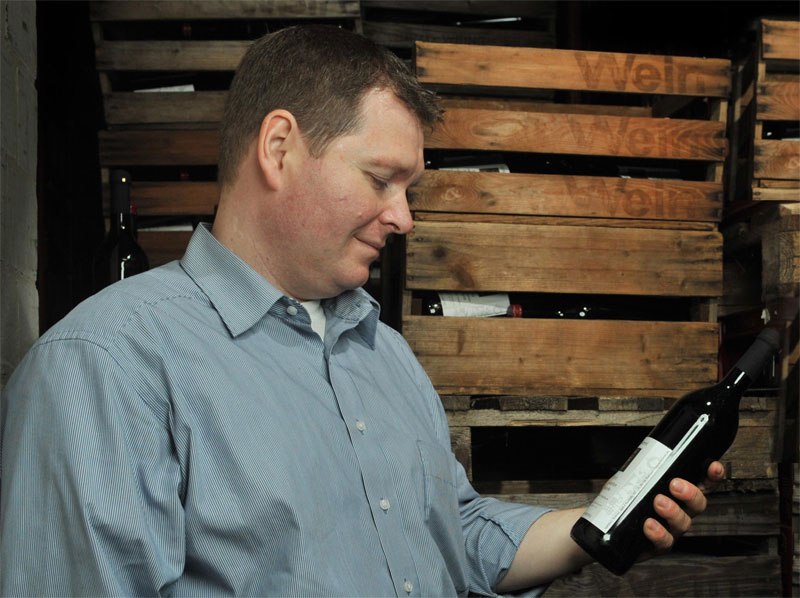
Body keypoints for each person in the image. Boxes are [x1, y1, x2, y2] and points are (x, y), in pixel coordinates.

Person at [0, 25, 724, 596]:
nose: (404, 217)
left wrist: (607, 519)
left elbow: (455, 529)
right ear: (280, 148)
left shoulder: (381, 350)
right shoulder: (106, 367)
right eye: (382, 179)